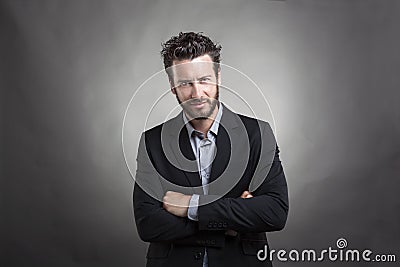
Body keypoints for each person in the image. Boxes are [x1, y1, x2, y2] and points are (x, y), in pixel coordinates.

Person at [133, 32, 288, 267]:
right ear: (173, 86)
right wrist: (232, 218)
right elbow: (149, 224)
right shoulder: (152, 142)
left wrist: (191, 206)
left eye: (204, 80)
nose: (197, 94)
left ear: (218, 76)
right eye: (185, 83)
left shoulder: (258, 134)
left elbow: (274, 212)